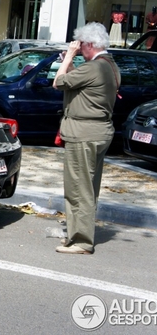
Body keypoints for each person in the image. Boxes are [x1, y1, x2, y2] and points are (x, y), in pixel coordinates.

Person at [52, 22, 120, 255]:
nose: (79, 49)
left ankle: (81, 241)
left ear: (90, 44)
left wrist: (68, 57)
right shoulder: (108, 66)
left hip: (84, 134)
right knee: (88, 187)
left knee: (78, 188)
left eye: (81, 46)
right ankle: (76, 234)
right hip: (97, 132)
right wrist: (70, 62)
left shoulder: (94, 67)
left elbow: (59, 82)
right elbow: (77, 81)